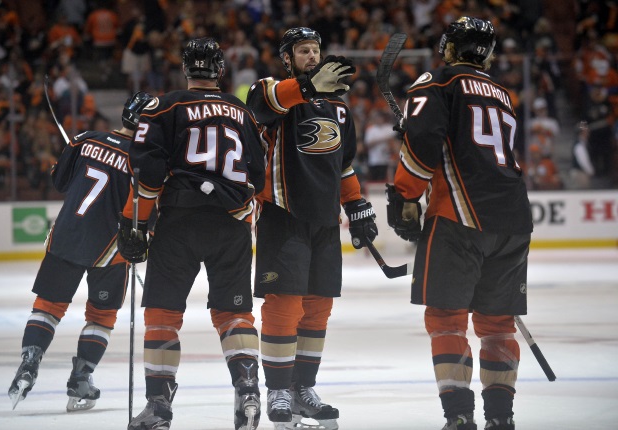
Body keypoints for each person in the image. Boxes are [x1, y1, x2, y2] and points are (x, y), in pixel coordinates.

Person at [386, 17, 533, 430]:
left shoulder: (438, 82)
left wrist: (405, 196)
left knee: (447, 318)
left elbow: (422, 146)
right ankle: (501, 419)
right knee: (497, 323)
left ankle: (460, 416)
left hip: (460, 217)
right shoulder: (502, 93)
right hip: (514, 218)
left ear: (450, 48)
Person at [117, 37, 267, 430]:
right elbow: (260, 173)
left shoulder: (164, 105)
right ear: (220, 71)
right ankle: (248, 390)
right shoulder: (243, 112)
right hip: (232, 223)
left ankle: (159, 408)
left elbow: (148, 173)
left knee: (163, 313)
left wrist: (136, 223)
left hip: (180, 220)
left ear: (185, 70)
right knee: (235, 313)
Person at [246, 27, 378, 429]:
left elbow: (343, 165)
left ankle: (303, 389)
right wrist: (304, 86)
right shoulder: (272, 91)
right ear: (287, 57)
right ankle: (279, 391)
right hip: (283, 216)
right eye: (303, 50)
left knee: (318, 308)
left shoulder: (339, 106)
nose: (311, 55)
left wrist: (356, 206)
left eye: (315, 50)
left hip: (324, 222)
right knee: (285, 305)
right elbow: (259, 107)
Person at [7, 91, 154, 411]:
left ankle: (29, 363)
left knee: (46, 308)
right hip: (110, 250)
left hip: (66, 237)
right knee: (101, 317)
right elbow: (147, 214)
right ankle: (81, 379)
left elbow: (59, 182)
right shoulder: (145, 162)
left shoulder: (85, 138)